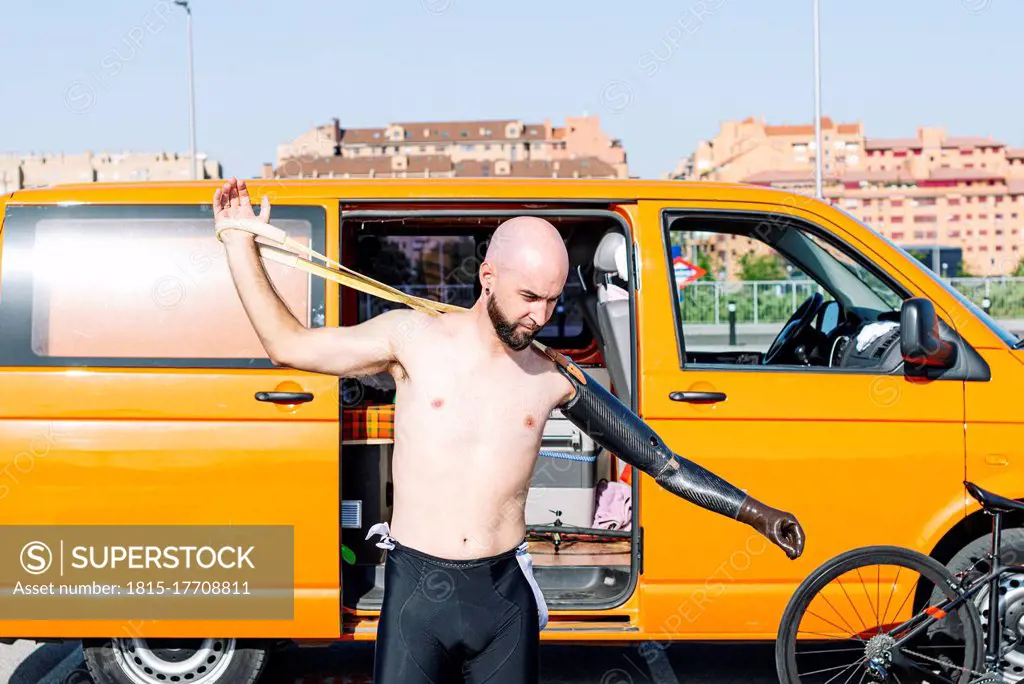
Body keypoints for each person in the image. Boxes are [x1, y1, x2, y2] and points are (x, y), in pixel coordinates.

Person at [214, 178, 806, 684]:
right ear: (488, 276)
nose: (540, 316)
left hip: (503, 601)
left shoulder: (554, 378)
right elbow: (286, 345)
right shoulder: (411, 341)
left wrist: (758, 513)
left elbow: (662, 462)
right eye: (528, 297)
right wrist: (240, 244)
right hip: (416, 595)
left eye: (552, 300)